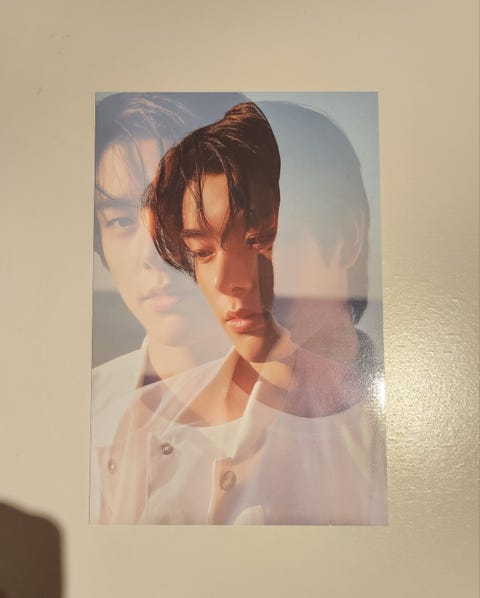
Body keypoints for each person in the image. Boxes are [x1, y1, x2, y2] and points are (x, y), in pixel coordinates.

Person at [96, 101, 386, 525]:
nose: (224, 280)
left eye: (257, 240)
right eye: (202, 252)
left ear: (346, 237)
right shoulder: (142, 423)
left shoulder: (397, 428)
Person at [91, 93, 245, 521]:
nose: (152, 253)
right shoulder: (80, 409)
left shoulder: (341, 430)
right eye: (121, 220)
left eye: (183, 211)